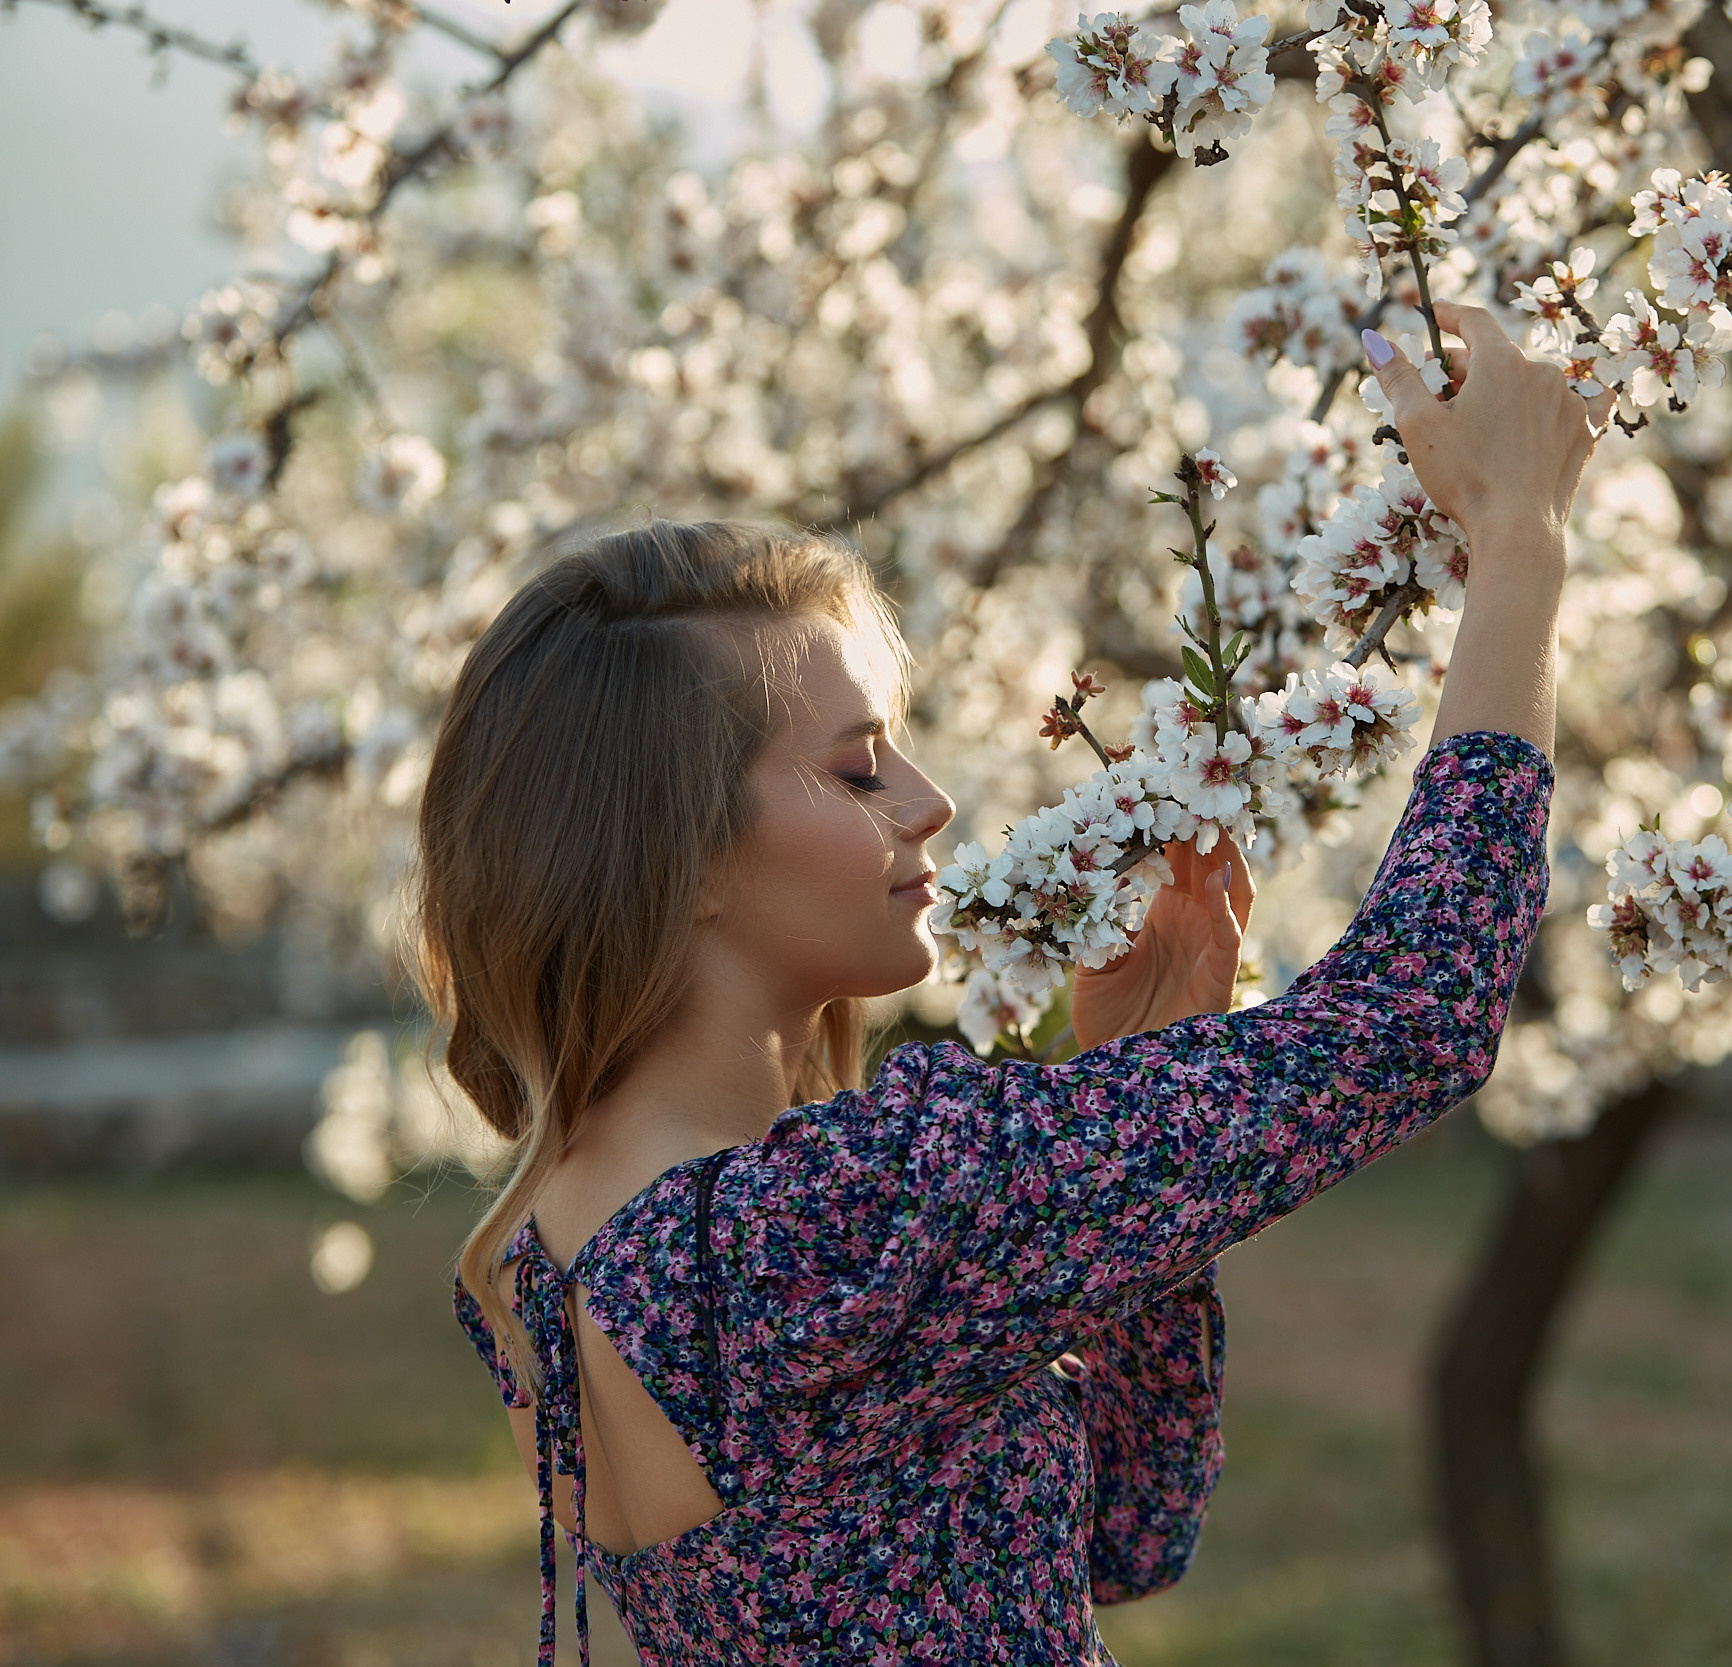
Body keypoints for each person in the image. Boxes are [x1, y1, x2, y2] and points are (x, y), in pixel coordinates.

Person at [426, 303, 1611, 1664]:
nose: (928, 805)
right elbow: (1417, 1016)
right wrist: (1521, 536)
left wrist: (1140, 1080)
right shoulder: (807, 1226)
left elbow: (1122, 1530)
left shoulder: (564, 1244)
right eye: (860, 768)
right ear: (674, 853)